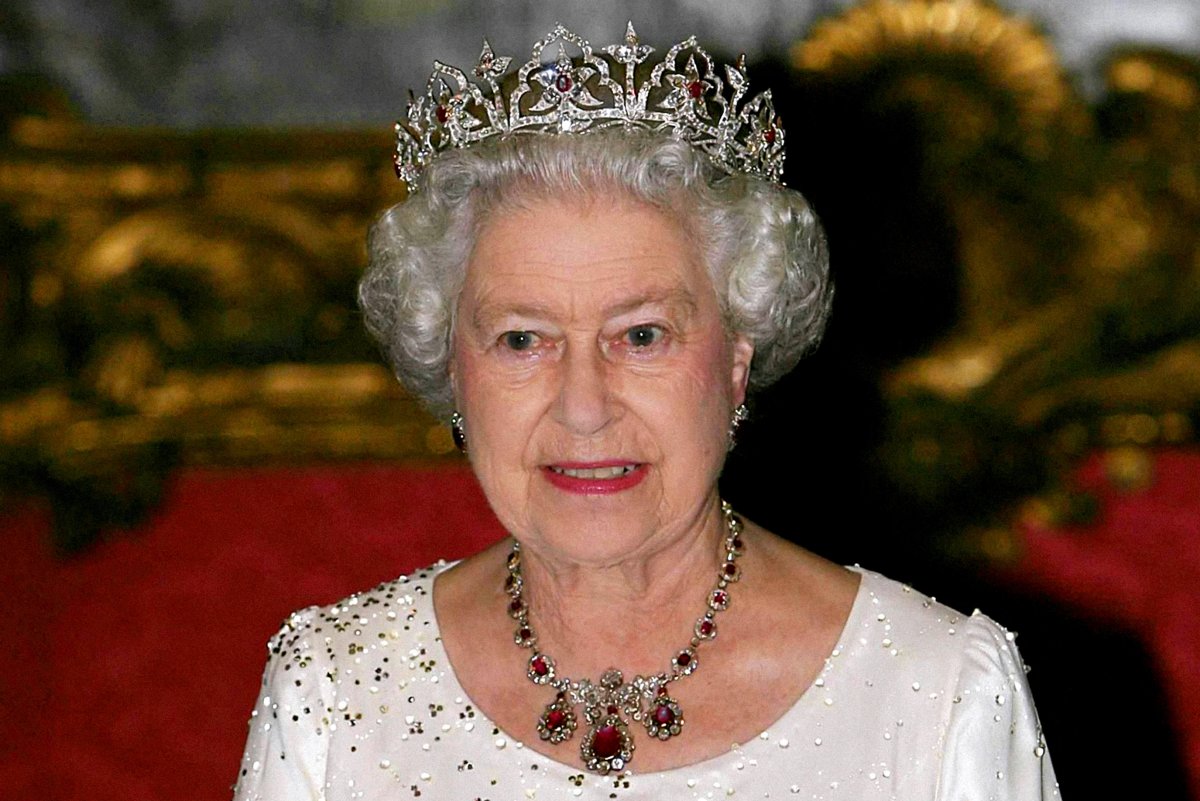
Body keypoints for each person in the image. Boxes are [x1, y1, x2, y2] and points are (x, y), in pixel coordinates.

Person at [233, 23, 1059, 800]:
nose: (584, 407)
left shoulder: (938, 687)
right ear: (455, 371)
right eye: (522, 339)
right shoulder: (337, 687)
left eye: (642, 334)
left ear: (736, 358)